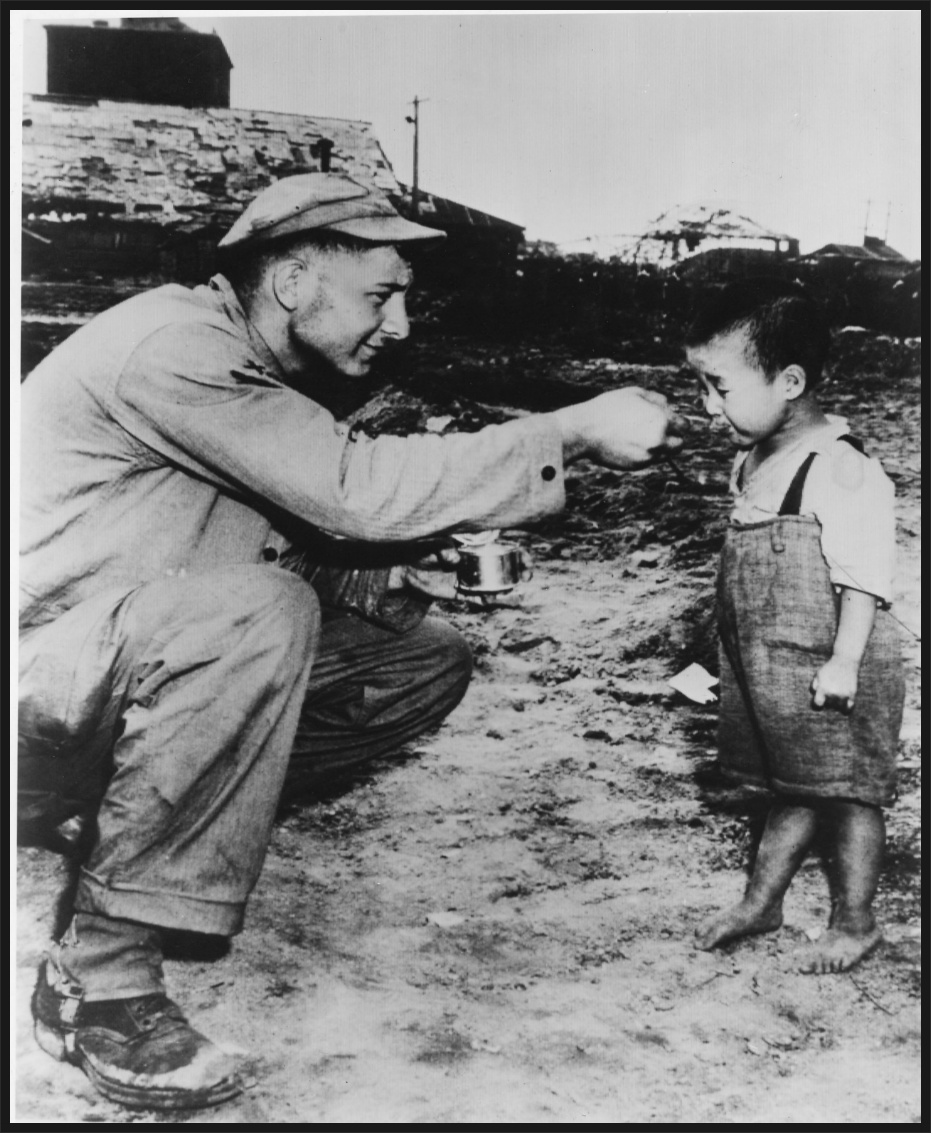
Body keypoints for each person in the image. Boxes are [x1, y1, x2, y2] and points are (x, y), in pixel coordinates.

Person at [19, 172, 683, 1110]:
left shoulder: (252, 365)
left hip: (99, 672)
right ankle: (101, 980)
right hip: (35, 681)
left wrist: (388, 571)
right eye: (381, 295)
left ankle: (121, 824)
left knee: (417, 660)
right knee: (259, 614)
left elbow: (251, 532)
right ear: (293, 282)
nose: (400, 324)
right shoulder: (174, 347)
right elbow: (348, 492)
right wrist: (566, 433)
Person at [684, 281, 904, 975]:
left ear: (789, 382)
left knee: (848, 793)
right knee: (792, 785)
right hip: (775, 662)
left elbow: (864, 579)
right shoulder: (753, 458)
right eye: (701, 386)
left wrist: (843, 662)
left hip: (834, 663)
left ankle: (856, 922)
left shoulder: (841, 468)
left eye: (719, 387)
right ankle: (762, 903)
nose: (707, 405)